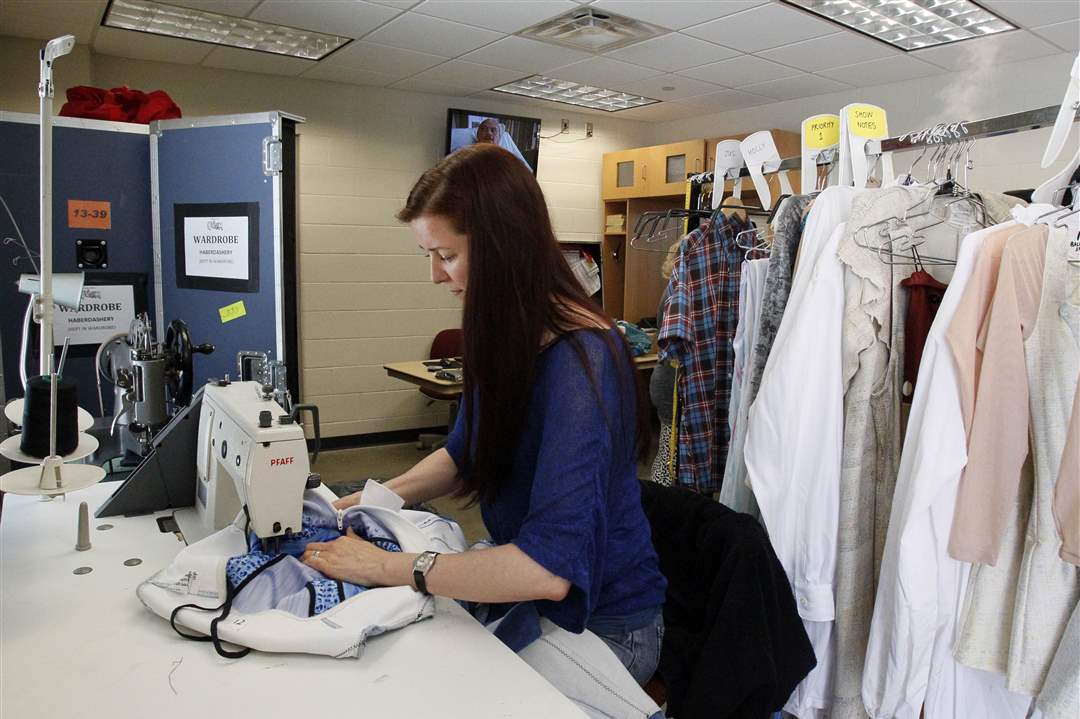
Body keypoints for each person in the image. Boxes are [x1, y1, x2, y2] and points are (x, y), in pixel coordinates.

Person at [302, 143, 667, 701]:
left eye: (445, 255)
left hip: (604, 627)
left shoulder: (582, 361)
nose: (434, 275)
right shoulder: (506, 335)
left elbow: (546, 571)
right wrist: (364, 501)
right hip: (534, 595)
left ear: (502, 247)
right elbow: (463, 454)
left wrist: (389, 565)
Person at [448, 116, 532, 171]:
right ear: (477, 135)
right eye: (484, 129)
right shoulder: (463, 153)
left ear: (499, 137)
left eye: (493, 130)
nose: (488, 133)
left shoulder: (509, 158)